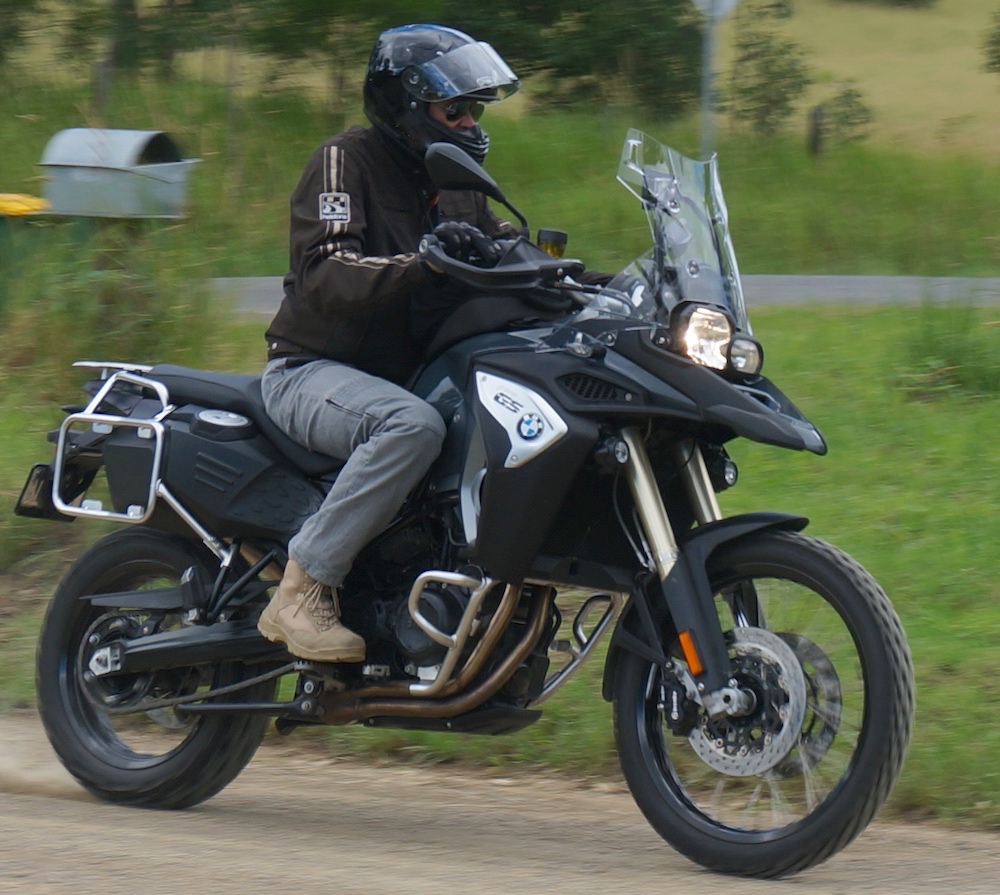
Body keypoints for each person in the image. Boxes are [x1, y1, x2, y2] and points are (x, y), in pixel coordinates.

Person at [256, 24, 521, 663]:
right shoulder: (346, 161)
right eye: (452, 108)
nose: (467, 122)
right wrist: (420, 265)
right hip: (313, 370)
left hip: (403, 376)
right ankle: (301, 590)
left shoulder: (456, 183)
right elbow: (325, 272)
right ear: (406, 105)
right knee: (414, 428)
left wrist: (615, 287)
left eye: (473, 109)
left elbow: (512, 254)